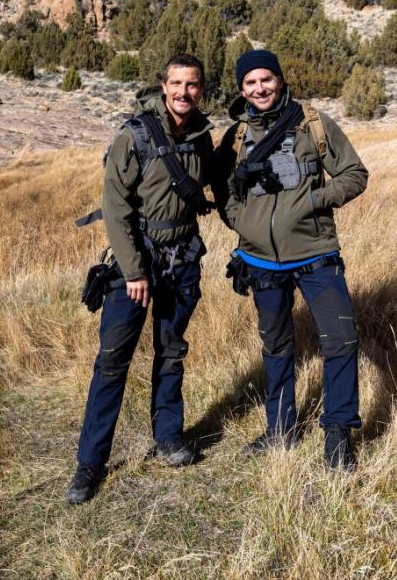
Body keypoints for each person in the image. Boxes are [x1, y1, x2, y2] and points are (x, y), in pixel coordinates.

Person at [66, 54, 214, 504]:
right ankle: (90, 464)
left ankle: (168, 437)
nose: (182, 92)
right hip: (136, 267)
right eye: (175, 83)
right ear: (162, 85)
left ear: (201, 90)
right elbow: (115, 208)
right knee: (112, 362)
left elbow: (217, 193)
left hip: (183, 260)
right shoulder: (134, 136)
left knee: (171, 353)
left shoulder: (204, 137)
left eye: (191, 85)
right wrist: (132, 270)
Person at [216, 49, 368, 470]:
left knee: (341, 341)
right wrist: (241, 222)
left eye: (266, 79)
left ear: (279, 80)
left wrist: (315, 200)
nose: (260, 88)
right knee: (277, 345)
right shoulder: (234, 136)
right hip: (261, 261)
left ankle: (338, 437)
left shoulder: (313, 123)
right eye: (250, 82)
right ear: (241, 88)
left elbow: (355, 174)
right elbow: (224, 190)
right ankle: (279, 429)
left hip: (317, 255)